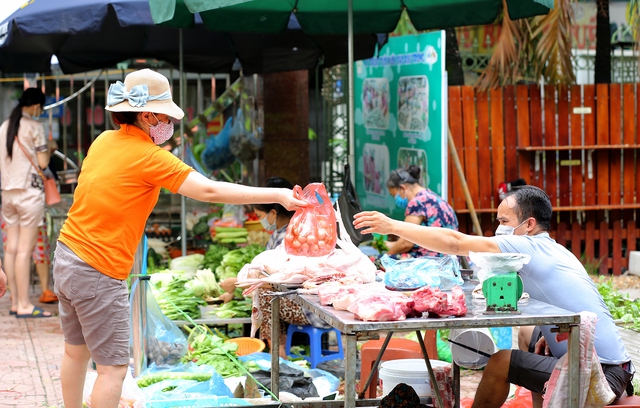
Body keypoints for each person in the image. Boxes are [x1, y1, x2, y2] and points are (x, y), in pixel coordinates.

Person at [52, 69, 307, 408]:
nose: (169, 122)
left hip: (66, 257)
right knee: (112, 369)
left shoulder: (103, 141)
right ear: (147, 115)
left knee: (75, 352)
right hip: (98, 271)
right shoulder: (149, 156)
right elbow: (210, 190)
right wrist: (278, 194)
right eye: (165, 115)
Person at [354, 185, 634, 407]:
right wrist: (551, 338)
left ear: (528, 224)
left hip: (603, 374)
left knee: (500, 361)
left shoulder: (528, 245)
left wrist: (393, 226)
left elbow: (455, 242)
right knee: (528, 334)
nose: (498, 227)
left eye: (504, 221)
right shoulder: (553, 249)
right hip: (613, 363)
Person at [0, 88, 56, 318]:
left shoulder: (4, 127)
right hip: (29, 194)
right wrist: (50, 149)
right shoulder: (35, 127)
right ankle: (24, 304)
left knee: (11, 249)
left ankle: (15, 302)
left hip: (8, 194)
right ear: (35, 107)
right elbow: (42, 163)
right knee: (25, 250)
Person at [385, 166, 458, 258]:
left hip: (432, 261)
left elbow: (406, 243)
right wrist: (389, 245)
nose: (396, 200)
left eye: (394, 195)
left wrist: (385, 257)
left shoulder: (416, 203)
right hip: (448, 258)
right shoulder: (430, 196)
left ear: (402, 188)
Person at [1, 217, 58, 305]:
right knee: (36, 249)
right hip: (30, 210)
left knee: (11, 251)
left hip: (8, 210)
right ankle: (24, 301)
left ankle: (15, 295)